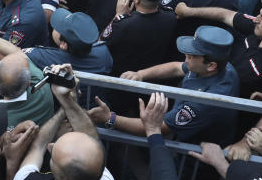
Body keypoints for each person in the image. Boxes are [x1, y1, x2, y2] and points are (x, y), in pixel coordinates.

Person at [90, 26, 239, 146]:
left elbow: (158, 126)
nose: (185, 58)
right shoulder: (217, 65)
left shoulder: (204, 102)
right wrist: (141, 74)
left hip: (198, 153)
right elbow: (176, 68)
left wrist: (110, 118)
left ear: (211, 65)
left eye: (191, 56)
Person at [102, 0, 178, 78]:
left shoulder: (122, 24)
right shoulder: (171, 17)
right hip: (153, 80)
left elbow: (100, 43)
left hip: (122, 80)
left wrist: (118, 15)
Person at [25, 8, 113, 74]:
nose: (53, 28)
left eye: (57, 27)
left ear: (64, 44)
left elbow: (21, 54)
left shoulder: (39, 56)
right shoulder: (104, 53)